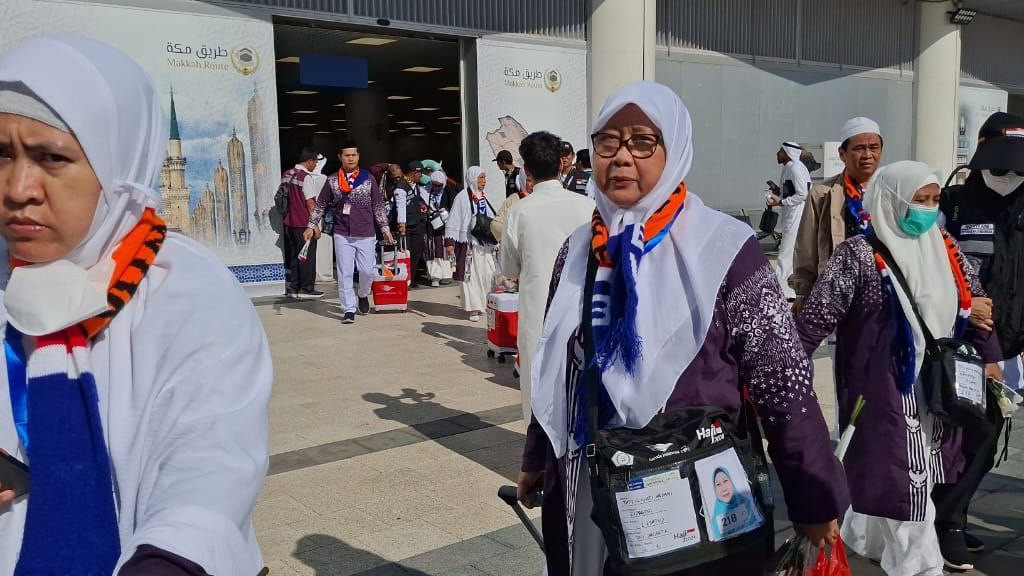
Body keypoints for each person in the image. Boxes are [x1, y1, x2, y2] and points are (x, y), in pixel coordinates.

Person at [519, 81, 845, 575]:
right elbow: (561, 366)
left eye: (642, 142)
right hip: (589, 481)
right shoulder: (579, 249)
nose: (622, 158)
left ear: (673, 150)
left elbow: (782, 382)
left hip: (691, 490)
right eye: (608, 143)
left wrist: (814, 497)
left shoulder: (724, 249)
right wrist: (538, 455)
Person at [0, 35, 271, 575]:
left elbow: (210, 463)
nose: (18, 188)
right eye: (0, 154)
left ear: (118, 165)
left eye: (52, 158)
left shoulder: (185, 291)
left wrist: (171, 557)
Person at [795, 161, 1002, 576]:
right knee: (904, 477)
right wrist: (784, 372)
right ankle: (919, 565)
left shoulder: (942, 242)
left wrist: (990, 356)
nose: (926, 209)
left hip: (936, 384)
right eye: (917, 200)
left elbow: (975, 302)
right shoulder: (857, 254)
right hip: (883, 387)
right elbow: (815, 318)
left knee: (913, 472)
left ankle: (868, 537)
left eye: (933, 200)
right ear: (890, 200)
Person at [934, 111, 1024, 569]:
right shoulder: (953, 203)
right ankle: (946, 523)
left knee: (989, 440)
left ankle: (952, 514)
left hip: (1017, 350)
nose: (1008, 173)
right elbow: (931, 270)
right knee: (972, 435)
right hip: (966, 346)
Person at [500, 131, 594, 423]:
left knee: (537, 390)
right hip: (580, 314)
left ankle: (537, 461)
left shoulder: (520, 212)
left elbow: (509, 270)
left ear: (527, 170)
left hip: (538, 315)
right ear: (561, 165)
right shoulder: (588, 208)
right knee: (578, 390)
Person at [791, 117, 884, 312]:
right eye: (859, 148)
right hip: (840, 292)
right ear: (842, 154)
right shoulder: (823, 193)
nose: (868, 154)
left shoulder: (893, 191)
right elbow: (806, 248)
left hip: (885, 291)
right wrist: (803, 292)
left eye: (874, 147)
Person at [305, 141, 393, 324]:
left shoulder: (368, 179)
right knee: (344, 273)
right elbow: (320, 204)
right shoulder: (332, 180)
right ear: (340, 157)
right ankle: (348, 310)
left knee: (367, 271)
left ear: (358, 157)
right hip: (342, 233)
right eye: (347, 155)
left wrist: (385, 229)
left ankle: (362, 294)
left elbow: (378, 205)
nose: (350, 158)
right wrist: (311, 225)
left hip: (366, 233)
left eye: (353, 155)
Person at [445, 167, 497, 322]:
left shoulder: (483, 197)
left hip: (484, 245)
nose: (483, 181)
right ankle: (474, 308)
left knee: (488, 274)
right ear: (473, 179)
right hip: (469, 244)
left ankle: (486, 304)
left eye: (484, 178)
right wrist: (450, 243)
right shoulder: (461, 197)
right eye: (481, 178)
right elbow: (454, 219)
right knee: (471, 277)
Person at [768, 141, 811, 301]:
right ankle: (788, 289)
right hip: (791, 215)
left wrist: (780, 202)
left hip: (796, 216)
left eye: (780, 151)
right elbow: (792, 192)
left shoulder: (795, 168)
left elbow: (803, 194)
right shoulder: (791, 168)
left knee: (785, 254)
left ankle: (783, 289)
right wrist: (777, 191)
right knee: (789, 253)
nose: (777, 153)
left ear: (787, 153)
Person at [281, 146, 325, 298]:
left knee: (294, 256)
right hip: (304, 223)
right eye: (315, 163)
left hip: (290, 223)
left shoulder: (287, 175)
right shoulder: (305, 177)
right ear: (309, 161)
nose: (315, 166)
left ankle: (294, 288)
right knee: (307, 256)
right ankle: (306, 289)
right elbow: (311, 204)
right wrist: (315, 226)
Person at [388, 163, 428, 288]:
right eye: (420, 173)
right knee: (405, 253)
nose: (421, 176)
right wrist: (402, 224)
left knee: (417, 252)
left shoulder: (415, 185)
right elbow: (400, 207)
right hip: (406, 227)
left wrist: (421, 204)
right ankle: (403, 279)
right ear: (414, 172)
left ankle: (412, 278)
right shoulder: (401, 187)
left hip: (417, 225)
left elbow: (417, 199)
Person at [424, 169, 455, 287]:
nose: (437, 188)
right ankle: (434, 276)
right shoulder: (426, 191)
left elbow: (454, 208)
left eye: (439, 185)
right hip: (431, 227)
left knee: (445, 250)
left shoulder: (449, 191)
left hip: (445, 227)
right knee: (432, 251)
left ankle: (446, 275)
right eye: (435, 185)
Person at [491, 169, 533, 241]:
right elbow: (496, 224)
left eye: (535, 180)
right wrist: (513, 233)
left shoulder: (543, 198)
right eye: (529, 180)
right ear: (523, 180)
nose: (533, 184)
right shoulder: (514, 199)